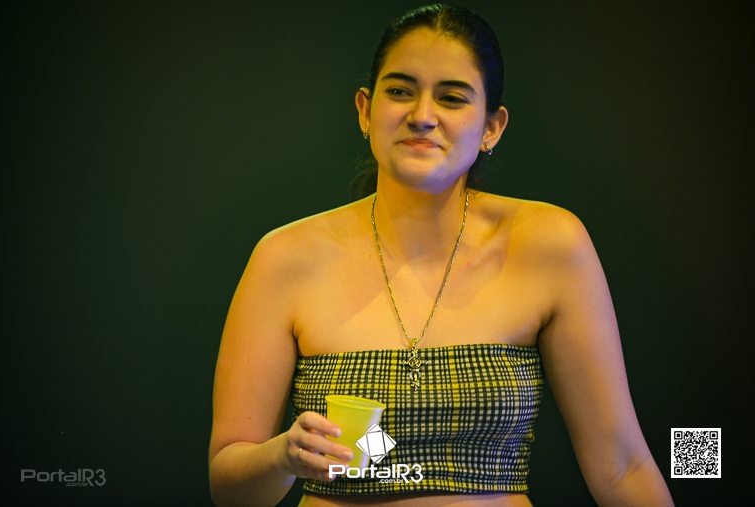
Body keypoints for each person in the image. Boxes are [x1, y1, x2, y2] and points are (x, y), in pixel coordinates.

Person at [208, 4, 674, 506]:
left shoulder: (550, 243)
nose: (422, 116)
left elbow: (623, 466)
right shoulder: (285, 257)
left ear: (492, 127)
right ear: (365, 110)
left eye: (451, 98)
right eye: (400, 91)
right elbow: (229, 485)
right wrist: (283, 457)